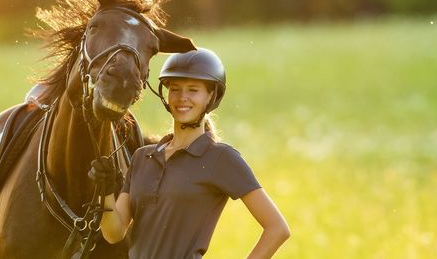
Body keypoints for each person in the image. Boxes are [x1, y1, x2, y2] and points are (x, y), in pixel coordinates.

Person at [89, 48, 290, 258]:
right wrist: (105, 192)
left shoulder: (221, 158)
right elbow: (114, 233)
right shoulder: (142, 157)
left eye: (193, 90)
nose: (182, 98)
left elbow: (277, 229)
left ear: (211, 96)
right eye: (175, 89)